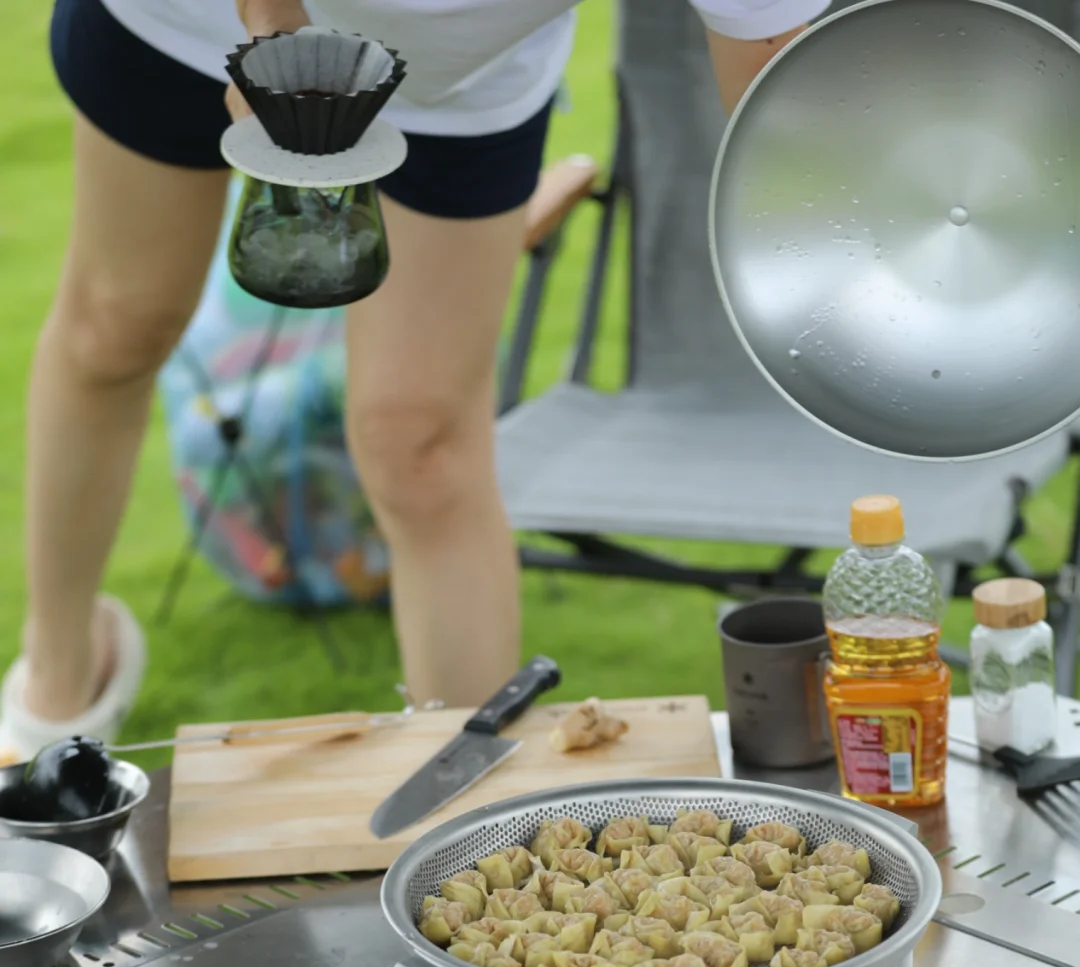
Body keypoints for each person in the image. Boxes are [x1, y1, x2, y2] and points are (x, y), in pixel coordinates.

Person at [0, 0, 828, 759]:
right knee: (117, 326)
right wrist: (275, 39)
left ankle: (468, 815)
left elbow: (773, 92)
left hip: (458, 86)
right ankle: (61, 678)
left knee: (421, 444)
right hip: (181, 23)